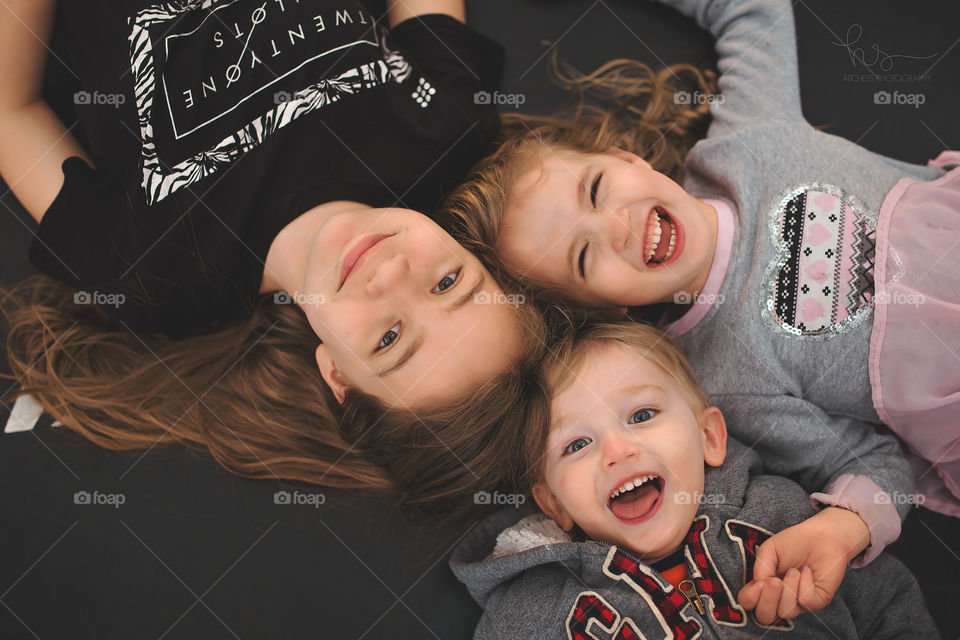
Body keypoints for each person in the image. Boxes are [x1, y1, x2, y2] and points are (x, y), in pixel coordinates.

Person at [442, 0, 959, 598]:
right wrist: (843, 529)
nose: (617, 228)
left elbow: (753, 11)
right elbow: (873, 466)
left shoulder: (746, 139)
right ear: (604, 306)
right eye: (584, 257)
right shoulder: (724, 375)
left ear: (625, 158)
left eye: (597, 189)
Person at [0, 0, 529, 490]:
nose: (390, 275)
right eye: (448, 282)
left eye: (389, 339)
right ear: (479, 253)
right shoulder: (447, 124)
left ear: (336, 374)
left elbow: (11, 112)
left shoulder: (152, 271)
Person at [450, 322, 940, 638]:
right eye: (576, 445)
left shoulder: (785, 519)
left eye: (642, 415)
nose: (617, 452)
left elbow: (890, 606)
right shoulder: (529, 610)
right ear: (554, 503)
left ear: (709, 437)